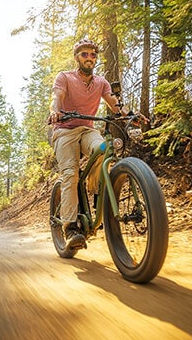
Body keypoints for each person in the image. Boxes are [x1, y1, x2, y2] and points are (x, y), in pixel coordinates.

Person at [48, 38, 133, 252]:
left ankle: (96, 197)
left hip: (87, 129)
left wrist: (131, 115)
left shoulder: (101, 83)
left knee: (104, 149)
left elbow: (115, 105)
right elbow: (57, 97)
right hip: (64, 131)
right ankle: (70, 227)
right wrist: (55, 111)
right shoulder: (65, 77)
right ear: (77, 57)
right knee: (70, 173)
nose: (89, 58)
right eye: (84, 54)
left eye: (92, 55)